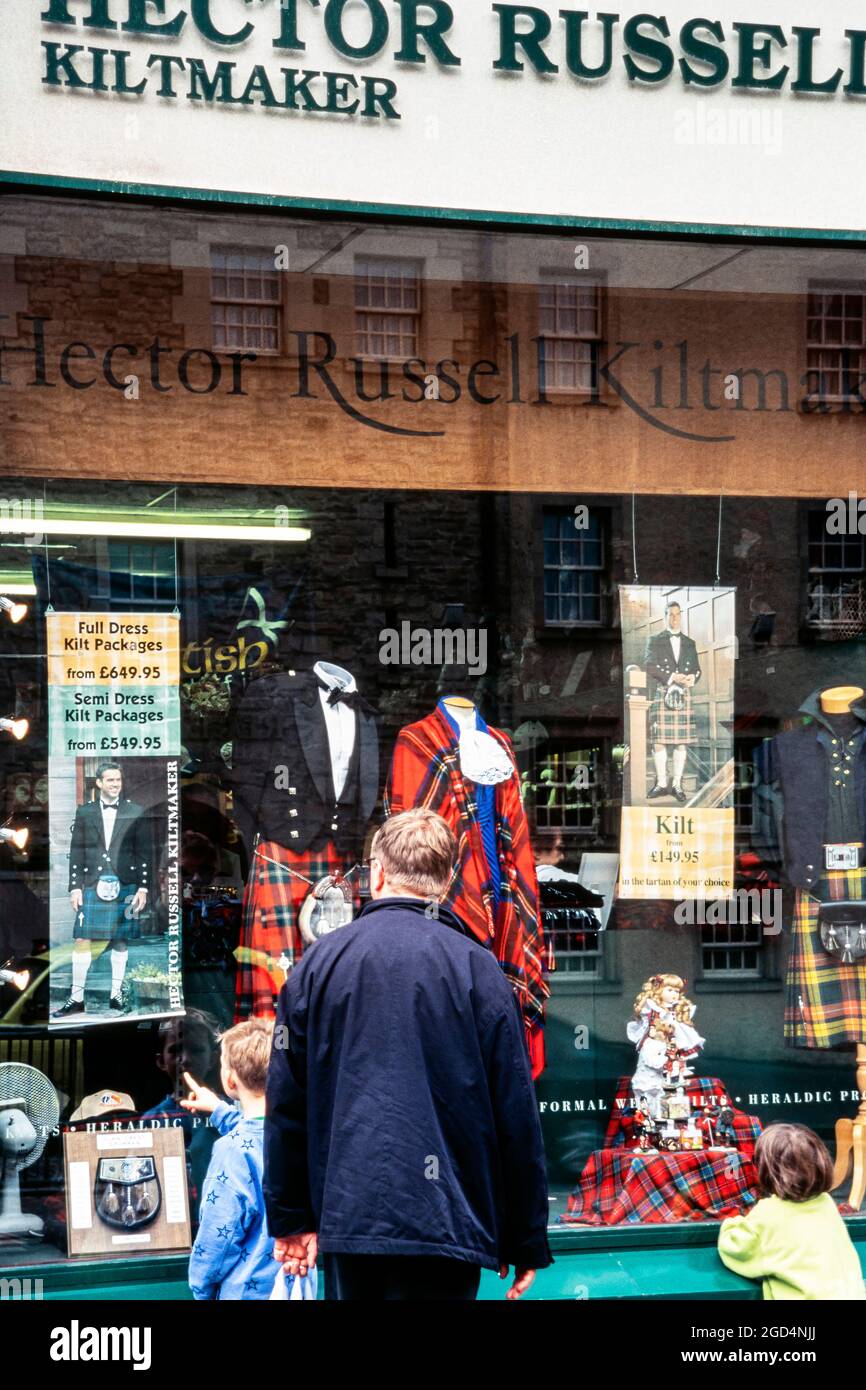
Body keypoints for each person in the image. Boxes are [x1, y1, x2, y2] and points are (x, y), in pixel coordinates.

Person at [264, 807, 552, 1302]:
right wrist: (524, 1236)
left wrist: (291, 1218)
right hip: (446, 1221)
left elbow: (286, 1100)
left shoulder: (319, 965)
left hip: (351, 1214)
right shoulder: (478, 969)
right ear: (445, 882)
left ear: (377, 872)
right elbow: (515, 1114)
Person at [183, 1019, 301, 1301]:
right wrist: (219, 1110)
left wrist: (200, 1286)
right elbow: (260, 1135)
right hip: (294, 1287)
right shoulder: (299, 1137)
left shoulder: (232, 1152)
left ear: (230, 1079)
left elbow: (218, 1236)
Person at [718, 1123, 866, 1300]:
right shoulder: (825, 1203)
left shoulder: (768, 1213)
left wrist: (731, 1223)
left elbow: (735, 1248)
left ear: (765, 1171)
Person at [52, 762, 150, 1019]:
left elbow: (144, 852)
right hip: (93, 883)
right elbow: (77, 851)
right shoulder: (85, 812)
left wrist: (143, 887)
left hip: (125, 882)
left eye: (118, 780)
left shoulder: (135, 811)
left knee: (119, 940)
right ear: (99, 783)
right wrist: (75, 887)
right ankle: (76, 999)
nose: (115, 784)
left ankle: (115, 995)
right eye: (110, 780)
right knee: (82, 939)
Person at [643, 600, 701, 804]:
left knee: (681, 743)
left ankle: (676, 784)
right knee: (658, 742)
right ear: (665, 616)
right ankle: (660, 783)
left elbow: (696, 669)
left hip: (683, 695)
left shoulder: (689, 642)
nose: (674, 618)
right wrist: (672, 677)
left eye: (677, 614)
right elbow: (649, 666)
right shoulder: (655, 640)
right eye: (671, 614)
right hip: (663, 691)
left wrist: (692, 678)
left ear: (680, 616)